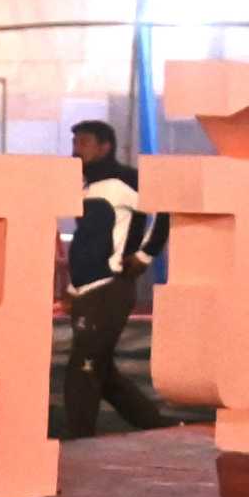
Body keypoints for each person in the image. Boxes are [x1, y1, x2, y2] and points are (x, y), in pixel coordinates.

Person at [62, 118, 175, 434]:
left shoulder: (125, 181)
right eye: (74, 143)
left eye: (84, 143)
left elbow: (164, 210)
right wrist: (72, 286)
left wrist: (145, 255)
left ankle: (78, 440)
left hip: (110, 288)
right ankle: (157, 427)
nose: (76, 149)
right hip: (86, 291)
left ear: (105, 146)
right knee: (103, 372)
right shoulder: (85, 186)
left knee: (83, 366)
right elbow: (89, 240)